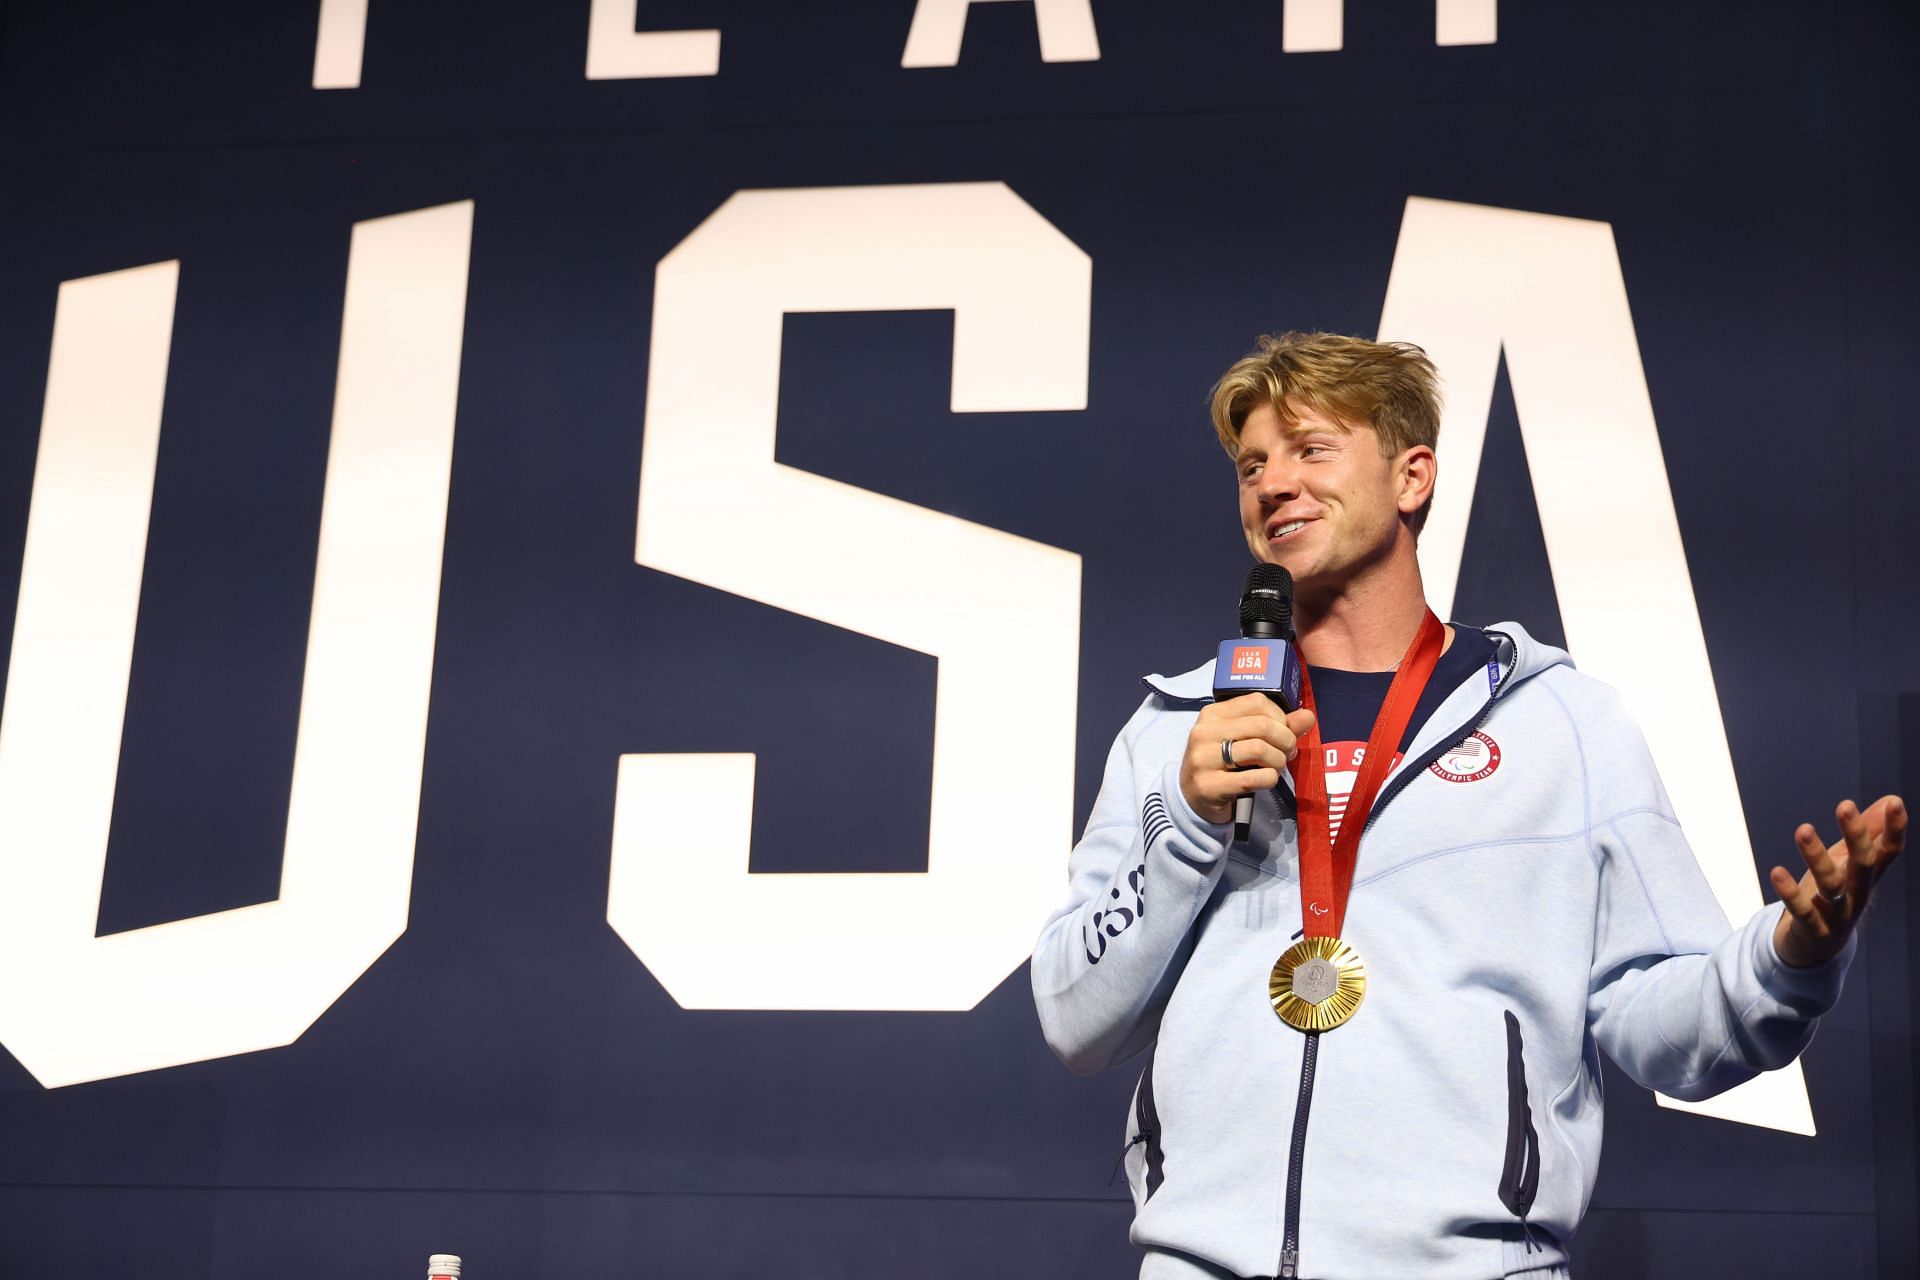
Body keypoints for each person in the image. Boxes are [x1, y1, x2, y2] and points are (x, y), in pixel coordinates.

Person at [1029, 332, 1906, 1280]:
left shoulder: (1564, 724)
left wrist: (1788, 958)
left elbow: (1663, 1028)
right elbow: (1077, 1018)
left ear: (1413, 479)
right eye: (1252, 465)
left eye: (1311, 450)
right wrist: (1188, 828)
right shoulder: (1177, 731)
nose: (1272, 484)